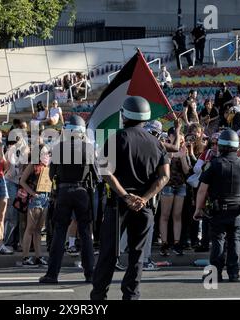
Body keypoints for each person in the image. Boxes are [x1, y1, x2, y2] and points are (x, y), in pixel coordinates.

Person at [90, 96, 170, 300]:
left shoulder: (116, 138)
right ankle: (131, 295)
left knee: (108, 253)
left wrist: (125, 196)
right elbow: (165, 176)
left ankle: (99, 296)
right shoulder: (157, 143)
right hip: (144, 207)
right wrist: (144, 198)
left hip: (118, 204)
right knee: (137, 255)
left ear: (125, 115)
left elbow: (105, 172)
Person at [39, 115, 97, 284]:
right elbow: (95, 174)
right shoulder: (88, 148)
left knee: (59, 233)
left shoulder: (58, 148)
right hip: (82, 191)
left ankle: (52, 274)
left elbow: (51, 174)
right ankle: (90, 273)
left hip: (63, 191)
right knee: (85, 233)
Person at [194, 129, 240, 282]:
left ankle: (215, 274)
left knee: (218, 241)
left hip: (219, 209)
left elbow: (202, 190)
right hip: (238, 210)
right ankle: (234, 274)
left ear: (220, 146)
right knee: (235, 240)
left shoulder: (214, 164)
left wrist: (198, 209)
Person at [19, 144, 51, 266]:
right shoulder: (33, 164)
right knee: (30, 228)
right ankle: (26, 257)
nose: (46, 154)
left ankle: (38, 256)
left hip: (45, 197)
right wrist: (32, 193)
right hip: (35, 198)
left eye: (47, 152)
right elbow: (22, 180)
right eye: (43, 152)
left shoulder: (47, 165)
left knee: (39, 229)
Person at [159, 135, 190, 256]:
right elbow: (162, 167)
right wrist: (171, 156)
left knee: (177, 215)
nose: (181, 142)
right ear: (171, 138)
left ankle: (177, 243)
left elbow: (187, 171)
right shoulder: (165, 150)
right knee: (165, 215)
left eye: (182, 140)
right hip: (167, 186)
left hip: (180, 185)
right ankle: (164, 243)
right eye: (179, 139)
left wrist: (182, 157)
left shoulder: (183, 151)